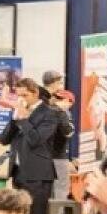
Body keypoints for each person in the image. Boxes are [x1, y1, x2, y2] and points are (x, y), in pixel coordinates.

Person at [0, 77, 73, 214]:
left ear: (35, 93)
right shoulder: (19, 113)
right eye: (18, 96)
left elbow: (35, 140)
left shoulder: (50, 114)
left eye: (24, 95)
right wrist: (14, 119)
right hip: (18, 174)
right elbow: (3, 139)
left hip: (38, 176)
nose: (21, 100)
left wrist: (24, 120)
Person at [40, 70, 76, 200]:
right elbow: (67, 131)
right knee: (59, 193)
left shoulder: (42, 102)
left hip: (45, 156)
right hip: (54, 157)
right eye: (60, 82)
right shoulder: (53, 107)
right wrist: (61, 111)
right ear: (53, 84)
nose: (61, 85)